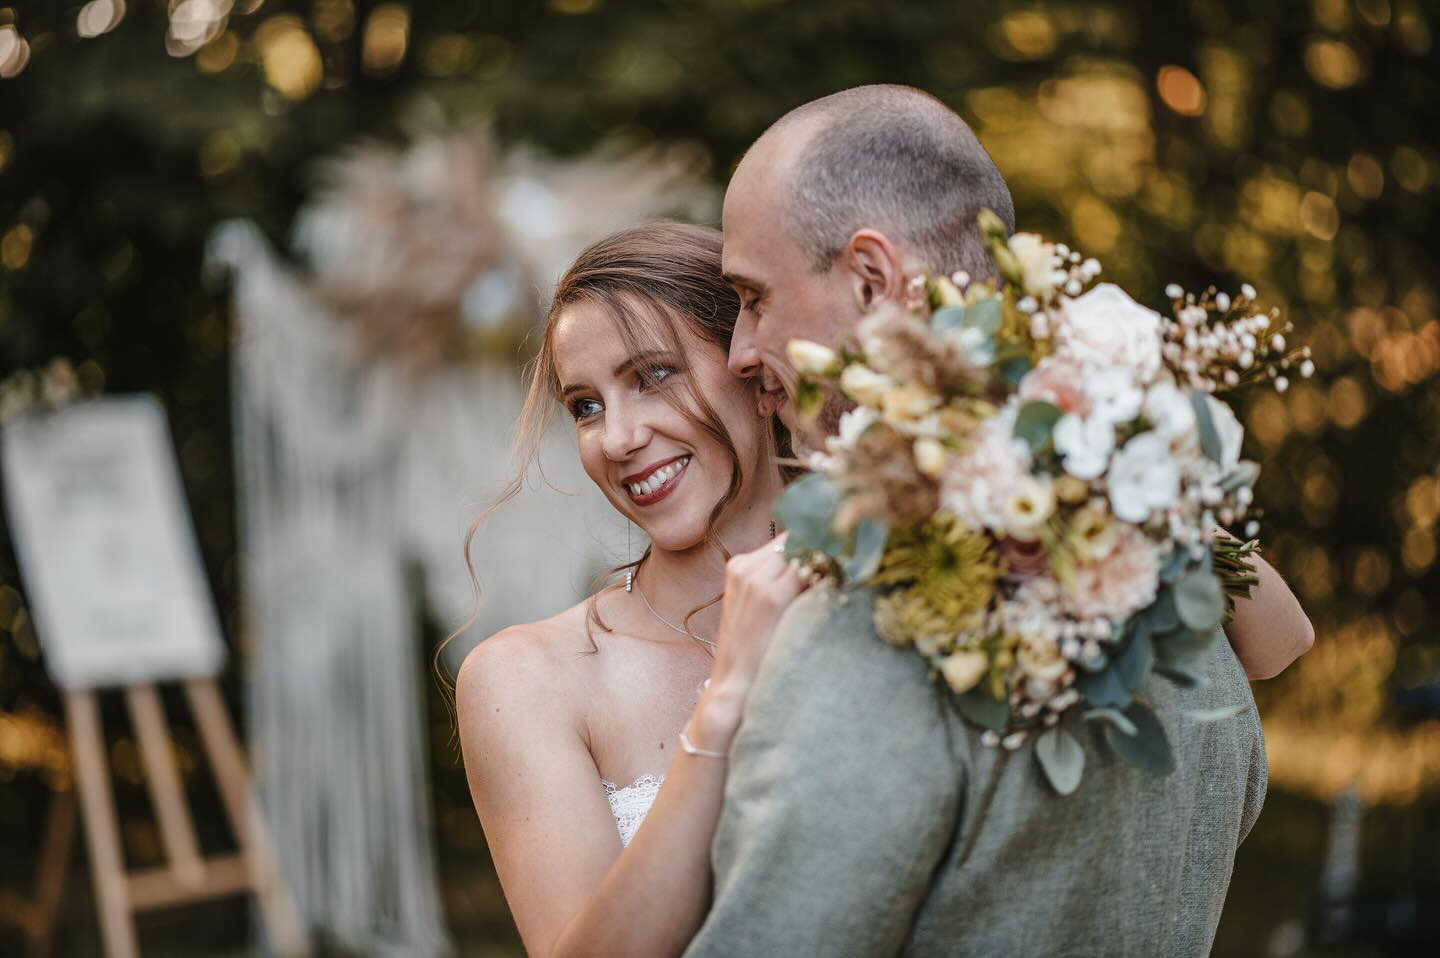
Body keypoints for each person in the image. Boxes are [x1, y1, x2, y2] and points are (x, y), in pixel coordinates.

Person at [456, 184, 1310, 955]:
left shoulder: (927, 575)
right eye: (585, 406)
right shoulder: (528, 678)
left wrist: (1065, 437)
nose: (616, 437)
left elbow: (1277, 641)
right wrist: (726, 705)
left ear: (754, 367)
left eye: (654, 375)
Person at [682, 84, 1314, 958]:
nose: (741, 351)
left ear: (872, 280)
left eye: (754, 298)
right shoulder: (1171, 592)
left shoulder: (872, 622)